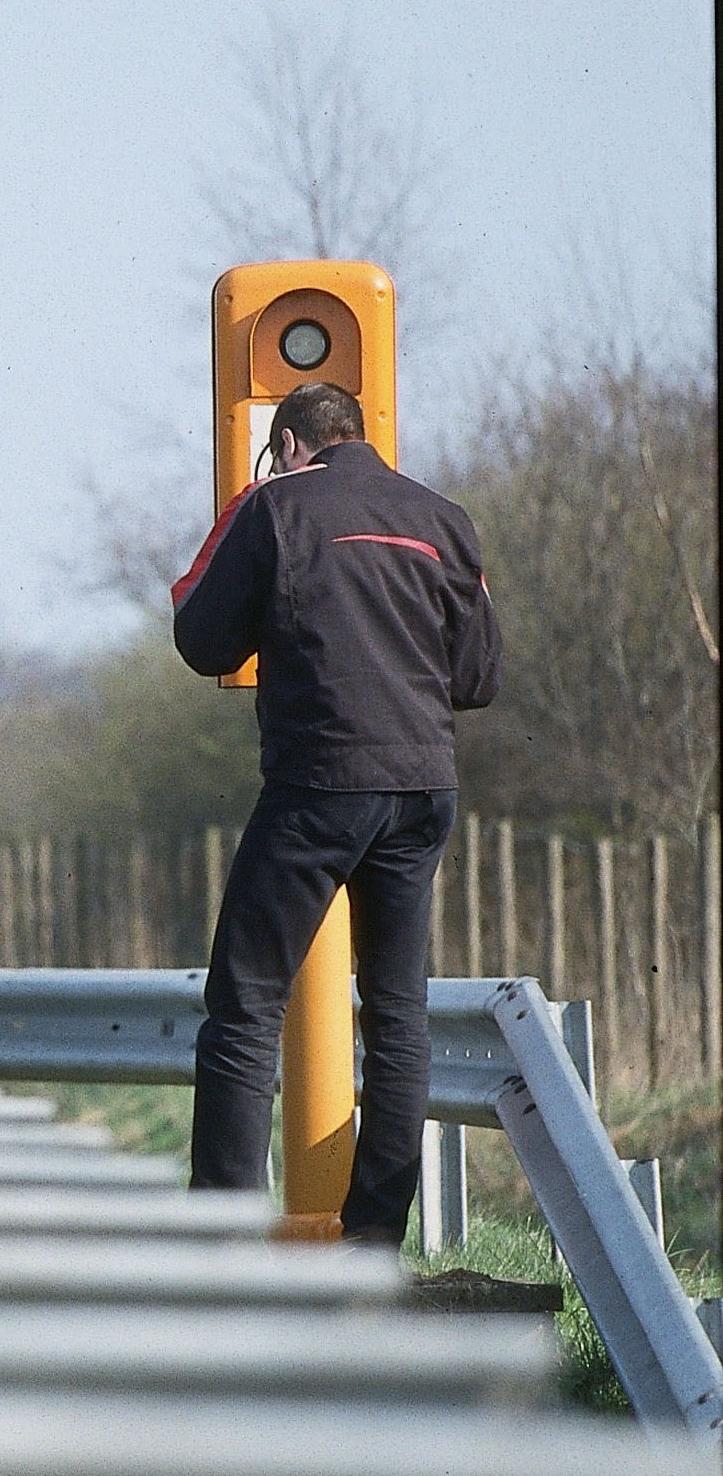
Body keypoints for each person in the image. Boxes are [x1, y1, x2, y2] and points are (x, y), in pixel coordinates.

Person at [170, 381, 502, 1244]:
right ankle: (372, 1244)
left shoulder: (276, 508)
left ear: (286, 445)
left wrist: (247, 504)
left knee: (245, 1005)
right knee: (398, 1017)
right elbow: (477, 679)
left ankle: (222, 1240)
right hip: (425, 788)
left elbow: (202, 639)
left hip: (319, 787)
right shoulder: (443, 517)